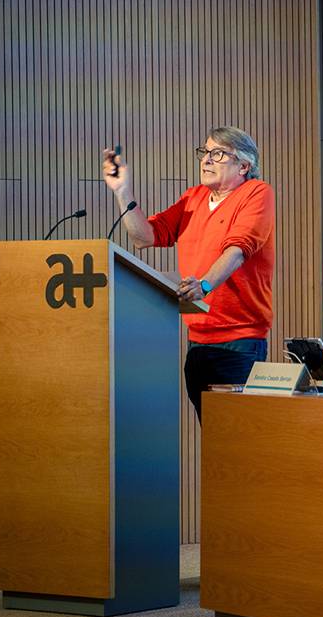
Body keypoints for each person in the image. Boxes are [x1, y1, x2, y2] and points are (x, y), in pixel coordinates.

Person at [102, 126, 275, 420]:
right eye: (205, 152)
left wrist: (205, 286)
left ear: (244, 166)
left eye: (218, 153)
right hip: (197, 342)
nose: (206, 160)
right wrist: (122, 191)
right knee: (213, 443)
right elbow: (144, 237)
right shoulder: (193, 198)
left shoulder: (256, 193)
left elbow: (236, 250)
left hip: (239, 345)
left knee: (235, 446)